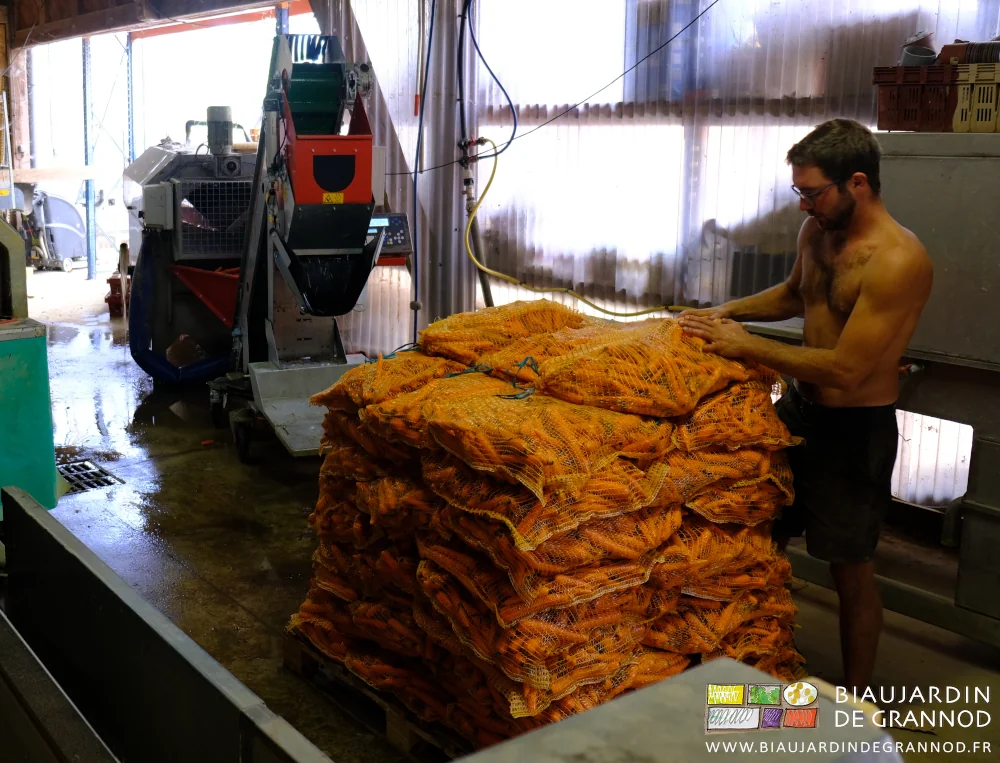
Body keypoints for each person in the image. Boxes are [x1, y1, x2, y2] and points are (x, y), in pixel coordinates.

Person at [678, 118, 933, 693]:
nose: (803, 205)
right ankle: (751, 656)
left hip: (853, 429)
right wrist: (726, 314)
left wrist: (746, 345)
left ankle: (858, 699)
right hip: (800, 412)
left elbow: (847, 369)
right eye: (799, 192)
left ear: (858, 184)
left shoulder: (897, 260)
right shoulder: (818, 233)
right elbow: (796, 294)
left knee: (849, 570)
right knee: (754, 526)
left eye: (813, 192)